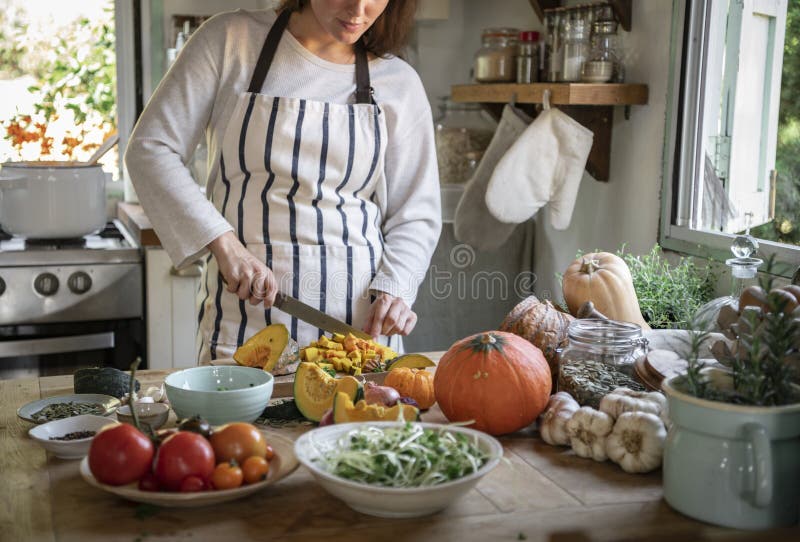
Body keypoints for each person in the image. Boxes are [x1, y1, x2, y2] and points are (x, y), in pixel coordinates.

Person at [125, 0, 442, 363]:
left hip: (358, 335)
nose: (359, 9)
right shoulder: (230, 41)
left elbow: (416, 213)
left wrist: (395, 289)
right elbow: (151, 149)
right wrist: (225, 247)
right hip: (246, 328)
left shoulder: (399, 82)